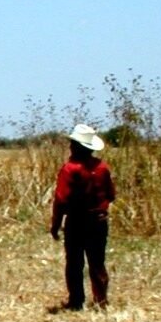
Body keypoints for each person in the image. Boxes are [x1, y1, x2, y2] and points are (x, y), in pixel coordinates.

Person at [50, 124, 116, 311]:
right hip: (99, 221)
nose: (70, 146)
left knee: (74, 263)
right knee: (97, 262)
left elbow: (61, 200)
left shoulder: (70, 169)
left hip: (77, 221)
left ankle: (76, 301)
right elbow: (111, 194)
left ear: (77, 147)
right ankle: (101, 300)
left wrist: (55, 224)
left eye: (73, 143)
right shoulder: (102, 167)